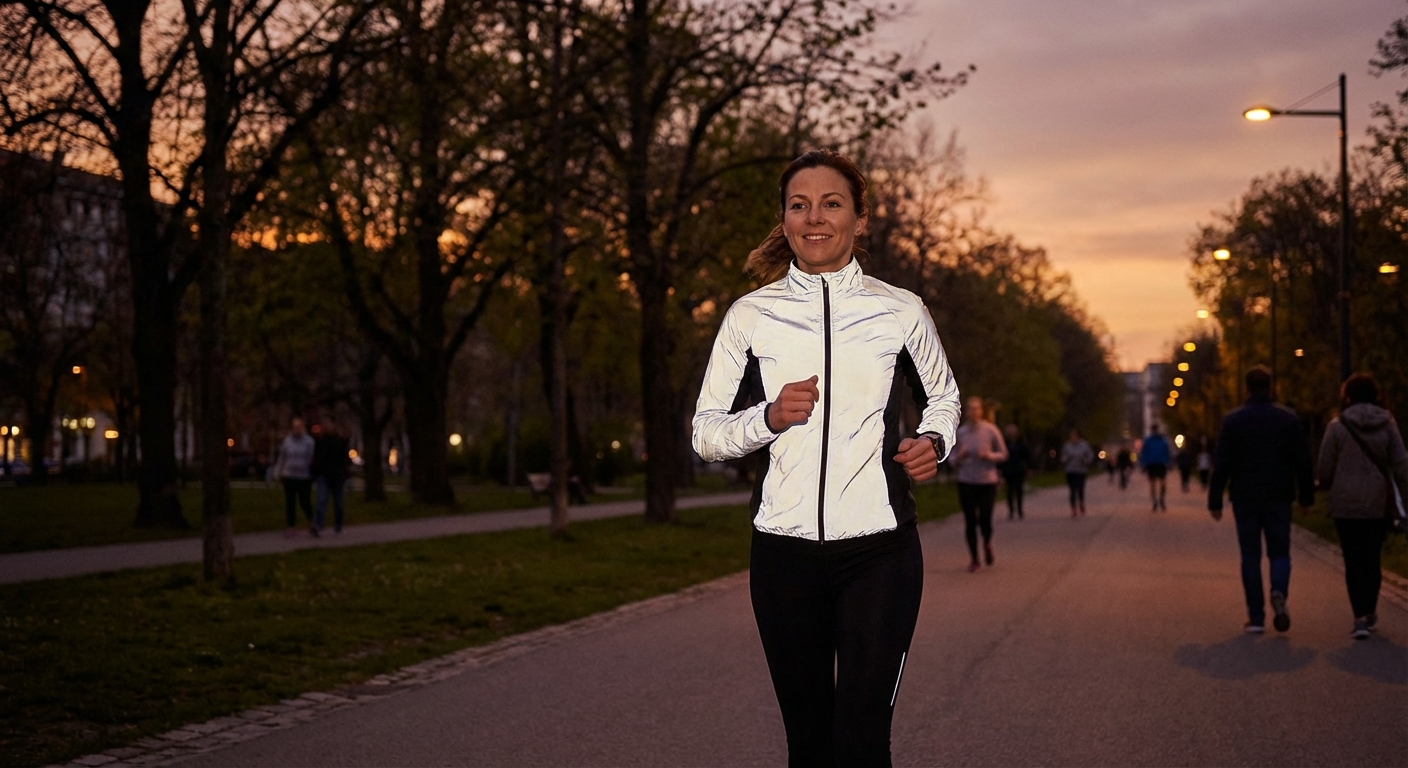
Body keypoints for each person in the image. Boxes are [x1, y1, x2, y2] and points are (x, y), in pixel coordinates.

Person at [691, 149, 960, 767]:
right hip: (784, 557)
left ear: (859, 220)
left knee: (862, 740)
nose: (815, 217)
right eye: (799, 204)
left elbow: (943, 396)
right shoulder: (750, 316)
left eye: (831, 203)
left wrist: (933, 441)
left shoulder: (900, 310)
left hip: (880, 552)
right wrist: (767, 416)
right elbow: (705, 434)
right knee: (809, 745)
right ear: (784, 219)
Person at [1208, 367, 1314, 634]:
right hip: (1279, 494)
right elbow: (1302, 461)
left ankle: (1256, 617)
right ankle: (1278, 590)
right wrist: (1306, 497)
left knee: (1250, 556)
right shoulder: (1288, 419)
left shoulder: (1232, 421)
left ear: (1246, 389)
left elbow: (1222, 463)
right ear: (1271, 387)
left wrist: (1215, 499)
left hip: (1245, 496)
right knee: (1279, 552)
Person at [1315, 373, 1408, 639]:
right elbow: (1401, 464)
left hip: (1346, 504)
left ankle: (1359, 618)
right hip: (1377, 502)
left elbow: (1325, 466)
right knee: (1372, 558)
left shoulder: (1337, 426)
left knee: (1353, 560)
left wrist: (1324, 484)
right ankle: (1370, 609)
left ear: (1347, 395)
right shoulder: (1388, 424)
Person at [952, 397, 1008, 571]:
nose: (973, 411)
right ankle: (974, 558)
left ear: (981, 411)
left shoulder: (991, 430)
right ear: (965, 412)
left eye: (976, 408)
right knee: (970, 520)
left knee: (985, 518)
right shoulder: (960, 433)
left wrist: (989, 456)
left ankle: (987, 542)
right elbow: (951, 459)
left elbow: (1003, 454)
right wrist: (959, 457)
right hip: (966, 480)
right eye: (969, 408)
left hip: (987, 481)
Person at [274, 416, 316, 537]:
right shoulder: (288, 441)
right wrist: (278, 471)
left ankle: (311, 522)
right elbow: (282, 457)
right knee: (290, 502)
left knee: (305, 500)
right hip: (289, 475)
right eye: (295, 427)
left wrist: (307, 469)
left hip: (303, 476)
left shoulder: (309, 442)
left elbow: (310, 457)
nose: (297, 430)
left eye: (299, 427)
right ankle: (291, 526)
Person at [311, 418, 352, 535]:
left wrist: (344, 471)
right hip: (324, 474)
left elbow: (345, 458)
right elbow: (317, 457)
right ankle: (318, 524)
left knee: (338, 502)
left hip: (337, 475)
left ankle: (338, 524)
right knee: (321, 500)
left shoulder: (340, 441)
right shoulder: (320, 441)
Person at [999, 423, 1031, 520]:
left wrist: (1027, 467)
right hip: (1008, 470)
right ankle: (1011, 511)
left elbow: (1026, 455)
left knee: (1019, 490)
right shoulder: (1005, 443)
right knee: (1009, 491)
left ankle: (1020, 509)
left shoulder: (1021, 443)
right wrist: (1001, 470)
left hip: (1018, 469)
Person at [1060, 428, 1094, 517]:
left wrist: (1085, 460)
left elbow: (1090, 455)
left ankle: (1081, 503)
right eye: (1071, 437)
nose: (1073, 439)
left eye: (1075, 437)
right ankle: (1073, 508)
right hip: (1070, 470)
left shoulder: (1084, 445)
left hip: (1081, 471)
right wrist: (1064, 459)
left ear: (1078, 437)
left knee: (1080, 488)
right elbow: (1063, 457)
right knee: (1072, 490)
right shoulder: (1067, 446)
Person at [1138, 424, 1171, 511]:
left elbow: (1143, 452)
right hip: (1159, 463)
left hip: (1154, 463)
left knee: (1155, 483)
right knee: (1159, 483)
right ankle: (1159, 500)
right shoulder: (1162, 440)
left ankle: (1157, 501)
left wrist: (1143, 463)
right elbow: (1167, 451)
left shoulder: (1149, 440)